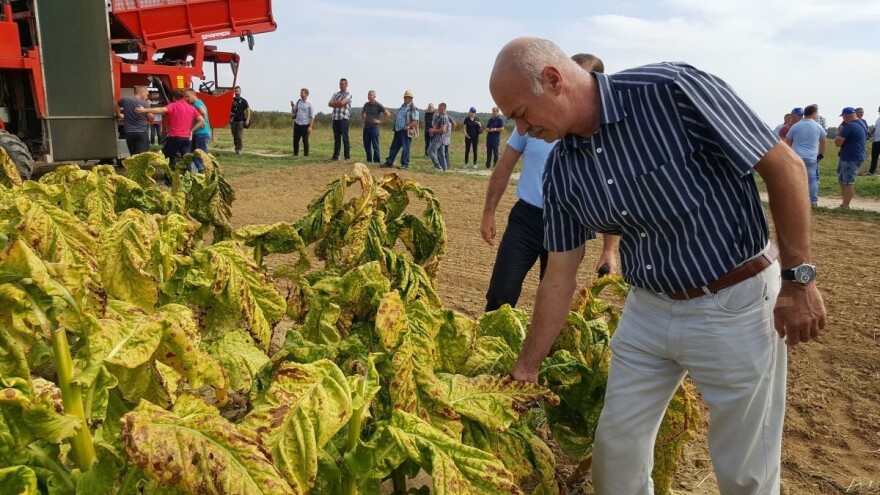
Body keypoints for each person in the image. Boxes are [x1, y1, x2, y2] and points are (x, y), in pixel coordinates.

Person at [490, 37, 826, 495]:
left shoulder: (671, 89)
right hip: (648, 309)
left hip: (733, 299)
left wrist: (798, 280)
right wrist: (526, 368)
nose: (523, 131)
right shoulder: (562, 170)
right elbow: (558, 277)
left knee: (745, 468)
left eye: (521, 114)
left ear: (553, 80)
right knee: (616, 452)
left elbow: (785, 166)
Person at [482, 52, 609, 312]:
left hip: (571, 224)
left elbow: (610, 192)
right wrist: (488, 213)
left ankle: (543, 352)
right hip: (527, 219)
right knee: (500, 293)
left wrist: (609, 249)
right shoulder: (532, 124)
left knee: (552, 301)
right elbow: (504, 167)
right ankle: (488, 347)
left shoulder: (599, 135)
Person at [137, 88, 204, 185]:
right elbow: (201, 120)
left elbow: (160, 110)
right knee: (186, 159)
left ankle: (169, 180)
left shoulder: (173, 105)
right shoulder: (191, 108)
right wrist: (191, 130)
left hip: (175, 137)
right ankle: (188, 180)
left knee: (168, 157)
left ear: (173, 97)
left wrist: (145, 110)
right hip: (186, 138)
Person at [785, 104, 826, 207]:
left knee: (795, 178)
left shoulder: (796, 125)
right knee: (812, 180)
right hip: (811, 157)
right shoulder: (818, 126)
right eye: (816, 113)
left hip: (796, 156)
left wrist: (789, 153)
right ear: (813, 113)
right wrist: (820, 154)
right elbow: (823, 141)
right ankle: (813, 201)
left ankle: (795, 200)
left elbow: (788, 141)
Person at [835, 107, 867, 209]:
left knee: (848, 182)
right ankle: (845, 201)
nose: (843, 119)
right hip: (855, 155)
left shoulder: (849, 126)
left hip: (850, 157)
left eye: (843, 116)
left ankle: (845, 206)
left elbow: (837, 142)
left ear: (846, 115)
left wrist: (838, 136)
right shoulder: (861, 123)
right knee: (841, 179)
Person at [382, 90, 419, 169]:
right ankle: (389, 162)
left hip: (405, 130)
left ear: (411, 98)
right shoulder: (403, 106)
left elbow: (415, 121)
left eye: (406, 97)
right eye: (404, 97)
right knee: (394, 147)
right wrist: (397, 116)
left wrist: (408, 126)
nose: (405, 98)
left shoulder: (413, 108)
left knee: (405, 148)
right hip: (398, 129)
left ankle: (405, 164)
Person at [117, 85, 153, 155]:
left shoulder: (125, 99)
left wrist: (119, 114)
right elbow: (151, 119)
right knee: (142, 156)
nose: (147, 97)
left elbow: (115, 104)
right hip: (141, 132)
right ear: (142, 92)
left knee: (133, 156)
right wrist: (147, 108)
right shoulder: (144, 104)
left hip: (129, 133)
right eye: (146, 94)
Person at [185, 88, 211, 173]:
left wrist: (202, 121)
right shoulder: (198, 102)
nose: (187, 99)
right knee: (194, 154)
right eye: (185, 97)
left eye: (188, 96)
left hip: (201, 134)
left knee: (201, 155)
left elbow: (203, 112)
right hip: (199, 133)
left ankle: (203, 172)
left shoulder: (197, 103)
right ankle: (200, 171)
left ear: (194, 95)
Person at [361, 90, 389, 164]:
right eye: (368, 95)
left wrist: (380, 121)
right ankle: (369, 160)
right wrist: (364, 118)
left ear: (374, 96)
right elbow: (363, 112)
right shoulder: (366, 105)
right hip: (366, 128)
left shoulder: (378, 105)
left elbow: (387, 114)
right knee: (366, 145)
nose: (369, 96)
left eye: (371, 95)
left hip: (374, 128)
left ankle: (377, 162)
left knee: (375, 145)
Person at [328, 78, 352, 162]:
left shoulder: (348, 94)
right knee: (337, 138)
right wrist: (338, 103)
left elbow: (342, 103)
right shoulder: (336, 93)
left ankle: (347, 157)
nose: (340, 85)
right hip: (335, 118)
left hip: (344, 119)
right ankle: (335, 156)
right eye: (340, 83)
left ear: (346, 85)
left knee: (345, 138)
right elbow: (329, 104)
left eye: (342, 84)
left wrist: (335, 103)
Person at [427, 102, 450, 171]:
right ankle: (444, 169)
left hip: (439, 138)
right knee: (441, 155)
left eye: (439, 108)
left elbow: (443, 130)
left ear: (442, 109)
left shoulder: (443, 117)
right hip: (442, 139)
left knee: (430, 151)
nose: (437, 109)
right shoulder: (443, 116)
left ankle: (437, 166)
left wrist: (434, 131)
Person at [291, 88, 314, 157]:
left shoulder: (310, 104)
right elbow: (295, 111)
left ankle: (306, 155)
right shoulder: (298, 102)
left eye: (303, 93)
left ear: (307, 94)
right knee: (295, 140)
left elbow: (312, 116)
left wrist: (310, 126)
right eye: (301, 93)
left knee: (305, 141)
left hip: (305, 124)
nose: (301, 94)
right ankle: (295, 154)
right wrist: (292, 106)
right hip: (297, 123)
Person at [229, 86, 250, 154]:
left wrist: (247, 119)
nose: (236, 92)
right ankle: (236, 148)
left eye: (237, 91)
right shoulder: (231, 100)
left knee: (239, 135)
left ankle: (239, 149)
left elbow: (248, 110)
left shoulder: (244, 101)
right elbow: (227, 109)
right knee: (234, 135)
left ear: (240, 91)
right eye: (235, 91)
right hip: (233, 121)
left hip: (240, 121)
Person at [869, 106, 880, 176]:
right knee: (874, 156)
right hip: (876, 141)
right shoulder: (878, 119)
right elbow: (875, 129)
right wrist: (870, 133)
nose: (879, 112)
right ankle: (871, 172)